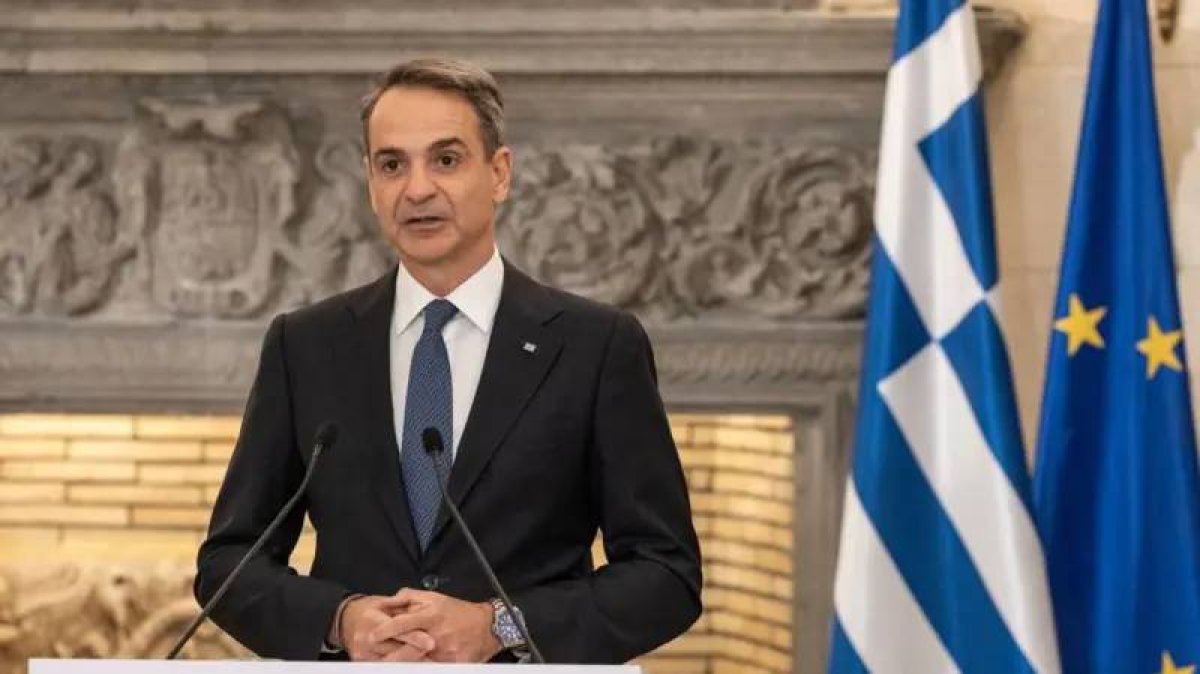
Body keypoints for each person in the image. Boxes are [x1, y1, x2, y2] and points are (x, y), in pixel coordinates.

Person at [194, 58, 702, 664]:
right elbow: (229, 565)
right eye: (392, 165)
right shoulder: (305, 346)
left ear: (499, 173)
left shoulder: (596, 346)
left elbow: (665, 575)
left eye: (446, 160)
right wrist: (340, 620)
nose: (417, 190)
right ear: (370, 183)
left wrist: (500, 626)